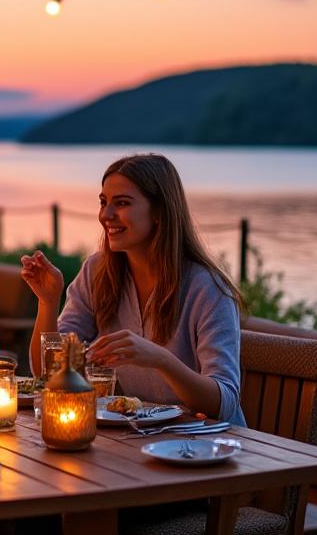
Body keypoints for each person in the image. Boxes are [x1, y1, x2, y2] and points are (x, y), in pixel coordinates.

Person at [21, 153, 245, 423]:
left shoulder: (207, 288)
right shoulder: (97, 272)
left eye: (122, 203)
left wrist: (160, 359)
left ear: (160, 212)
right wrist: (47, 302)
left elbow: (224, 404)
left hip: (210, 447)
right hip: (142, 439)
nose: (107, 215)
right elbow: (49, 373)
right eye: (104, 202)